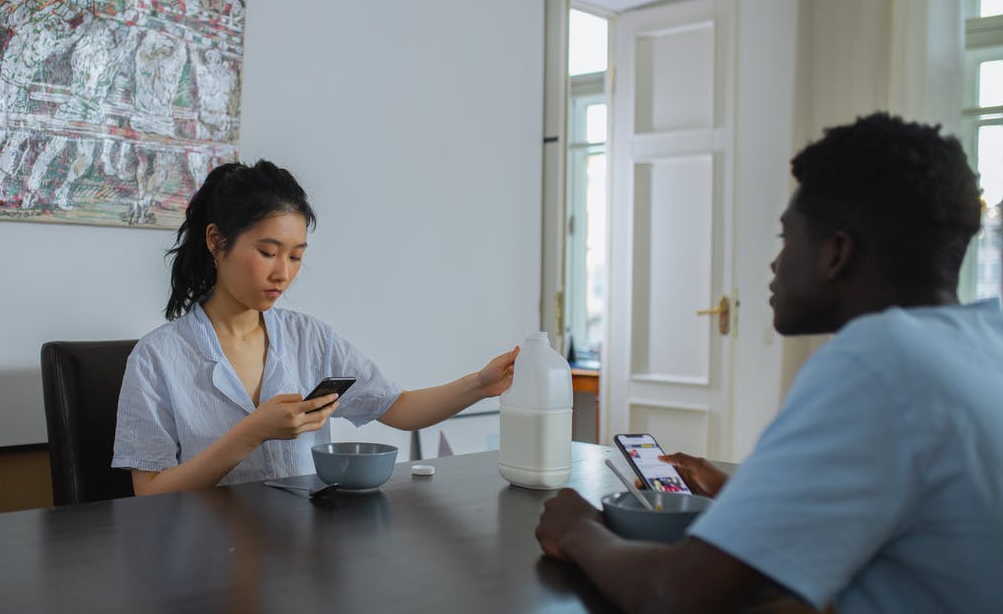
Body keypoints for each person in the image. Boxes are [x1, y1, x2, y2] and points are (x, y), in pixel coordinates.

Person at [535, 113, 1003, 613]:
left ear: (836, 254)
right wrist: (748, 497)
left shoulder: (877, 361)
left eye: (786, 237)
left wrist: (580, 531)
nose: (775, 263)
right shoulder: (984, 340)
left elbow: (672, 595)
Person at [112, 160, 519, 493]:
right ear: (217, 241)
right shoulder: (156, 358)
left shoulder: (309, 339)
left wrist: (479, 385)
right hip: (202, 558)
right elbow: (150, 493)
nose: (282, 273)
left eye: (295, 257)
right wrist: (251, 433)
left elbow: (398, 407)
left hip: (301, 551)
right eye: (268, 252)